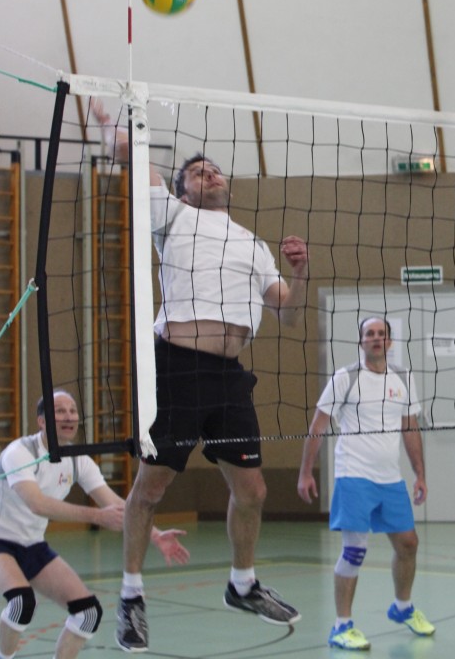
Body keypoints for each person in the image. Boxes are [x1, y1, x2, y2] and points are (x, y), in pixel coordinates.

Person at [97, 102, 310, 652]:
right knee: (151, 487)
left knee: (253, 490)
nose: (209, 173)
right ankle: (131, 596)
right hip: (178, 368)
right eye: (197, 171)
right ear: (183, 191)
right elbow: (131, 155)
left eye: (214, 169)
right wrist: (109, 118)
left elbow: (287, 313)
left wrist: (300, 274)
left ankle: (243, 584)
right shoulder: (171, 217)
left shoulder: (251, 243)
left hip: (229, 376)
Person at [0, 390, 189, 659]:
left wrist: (154, 534)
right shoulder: (20, 452)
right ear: (42, 421)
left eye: (72, 411)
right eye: (60, 411)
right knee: (21, 602)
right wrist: (96, 517)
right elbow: (37, 504)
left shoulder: (78, 460)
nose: (69, 416)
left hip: (31, 543)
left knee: (88, 613)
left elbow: (115, 503)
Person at [297, 316, 435, 651]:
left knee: (408, 544)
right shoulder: (345, 378)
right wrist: (305, 472)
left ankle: (402, 607)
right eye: (369, 334)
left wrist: (420, 473)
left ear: (390, 341)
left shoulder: (402, 377)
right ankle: (342, 626)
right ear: (361, 341)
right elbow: (318, 426)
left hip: (390, 478)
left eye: (381, 334)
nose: (375, 338)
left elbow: (410, 428)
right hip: (353, 475)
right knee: (355, 550)